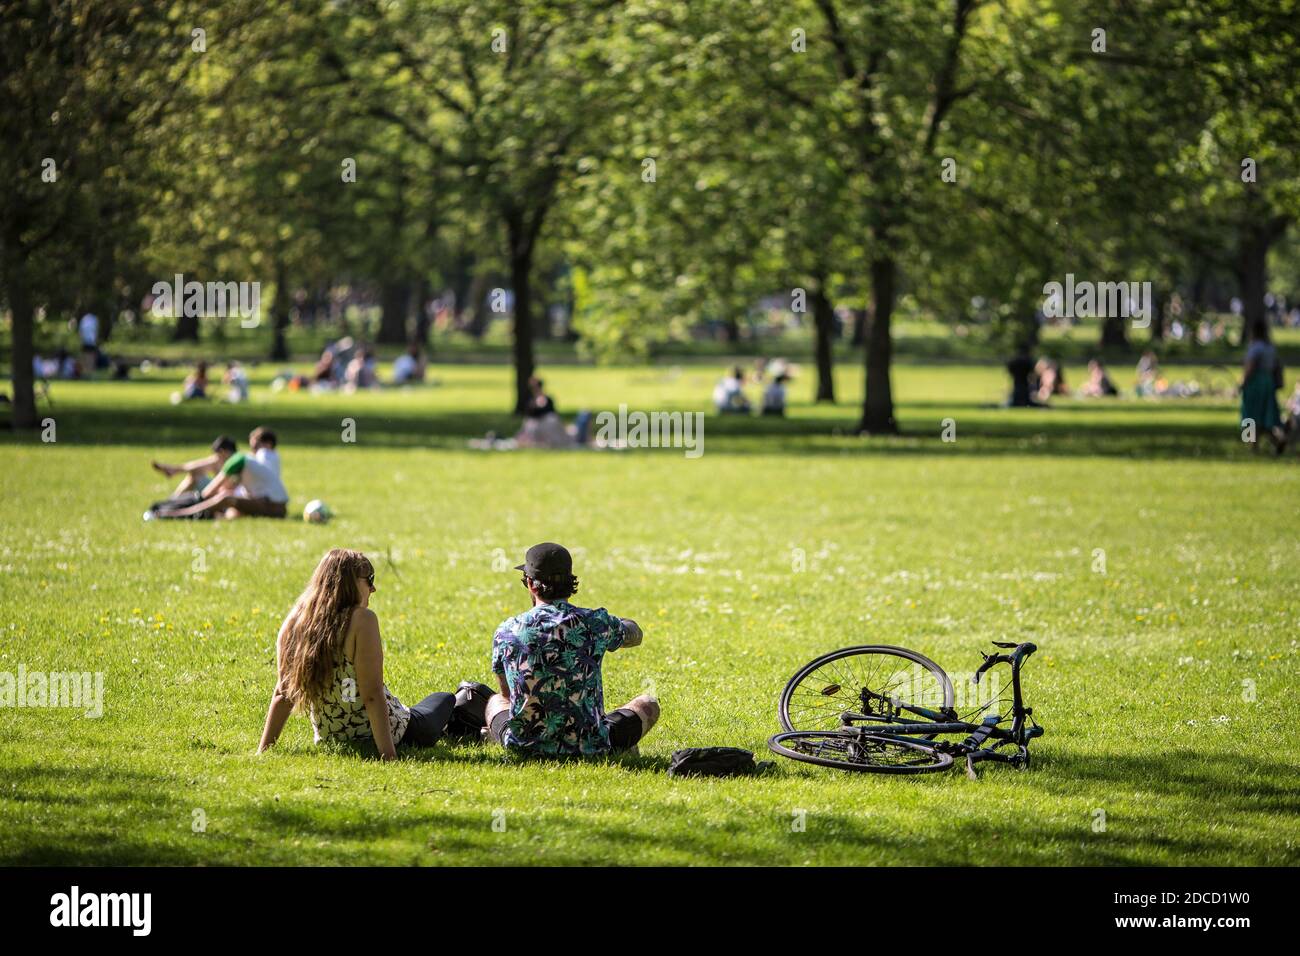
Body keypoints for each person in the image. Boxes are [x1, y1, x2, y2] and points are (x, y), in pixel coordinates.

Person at [256, 549, 483, 758]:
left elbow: (282, 694)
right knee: (444, 698)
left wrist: (263, 751)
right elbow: (372, 694)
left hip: (331, 737)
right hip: (399, 730)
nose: (373, 589)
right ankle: (465, 705)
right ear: (348, 583)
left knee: (422, 707)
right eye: (370, 580)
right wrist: (388, 754)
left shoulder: (296, 621)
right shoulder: (362, 619)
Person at [485, 543, 658, 757]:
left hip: (525, 745)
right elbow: (635, 635)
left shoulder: (507, 629)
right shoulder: (595, 623)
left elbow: (507, 695)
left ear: (530, 583)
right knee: (648, 703)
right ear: (570, 582)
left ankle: (493, 737)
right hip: (590, 746)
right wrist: (617, 624)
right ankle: (621, 746)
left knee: (494, 701)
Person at [154, 432, 290, 519]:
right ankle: (175, 507)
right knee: (228, 503)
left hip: (272, 506)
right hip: (276, 506)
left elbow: (207, 493)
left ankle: (177, 514)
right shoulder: (247, 461)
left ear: (224, 453)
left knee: (226, 498)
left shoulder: (238, 461)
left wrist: (186, 508)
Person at [148, 435, 238, 507]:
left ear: (224, 452)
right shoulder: (228, 460)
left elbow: (230, 488)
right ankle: (174, 475)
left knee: (195, 476)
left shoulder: (235, 463)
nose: (216, 457)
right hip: (220, 493)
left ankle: (171, 500)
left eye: (218, 453)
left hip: (228, 497)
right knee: (196, 475)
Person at [1239, 318, 1286, 453]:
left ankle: (1252, 445)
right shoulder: (1270, 347)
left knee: (1250, 414)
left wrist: (1243, 382)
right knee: (1266, 414)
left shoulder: (1255, 347)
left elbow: (1250, 367)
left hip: (1255, 383)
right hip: (1268, 381)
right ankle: (1277, 438)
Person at [1005, 343, 1043, 407]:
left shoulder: (1014, 361)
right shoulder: (1029, 361)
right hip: (1025, 384)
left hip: (1017, 383)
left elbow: (1009, 370)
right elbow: (1034, 373)